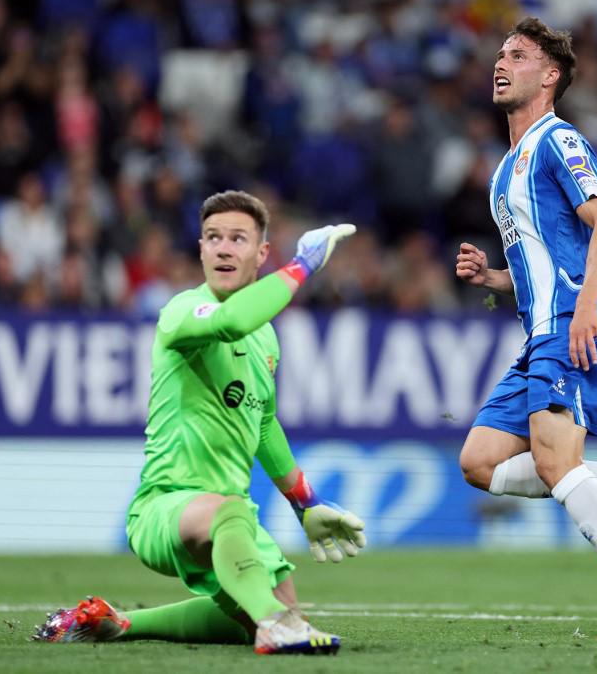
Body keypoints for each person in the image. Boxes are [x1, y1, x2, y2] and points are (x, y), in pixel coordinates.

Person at [34, 191, 365, 655]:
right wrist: (302, 266)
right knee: (249, 557)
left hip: (232, 521)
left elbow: (263, 424)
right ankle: (273, 625)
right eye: (213, 238)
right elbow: (230, 321)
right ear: (201, 249)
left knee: (267, 614)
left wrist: (305, 503)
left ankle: (120, 624)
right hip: (164, 510)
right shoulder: (182, 311)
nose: (224, 248)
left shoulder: (266, 337)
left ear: (261, 254)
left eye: (238, 239)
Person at [454, 18, 597, 641]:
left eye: (518, 55)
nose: (501, 63)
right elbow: (544, 260)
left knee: (557, 461)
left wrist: (585, 308)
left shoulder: (559, 140)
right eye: (500, 54)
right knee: (479, 462)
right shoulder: (505, 170)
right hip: (540, 332)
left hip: (570, 323)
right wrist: (493, 277)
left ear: (549, 76)